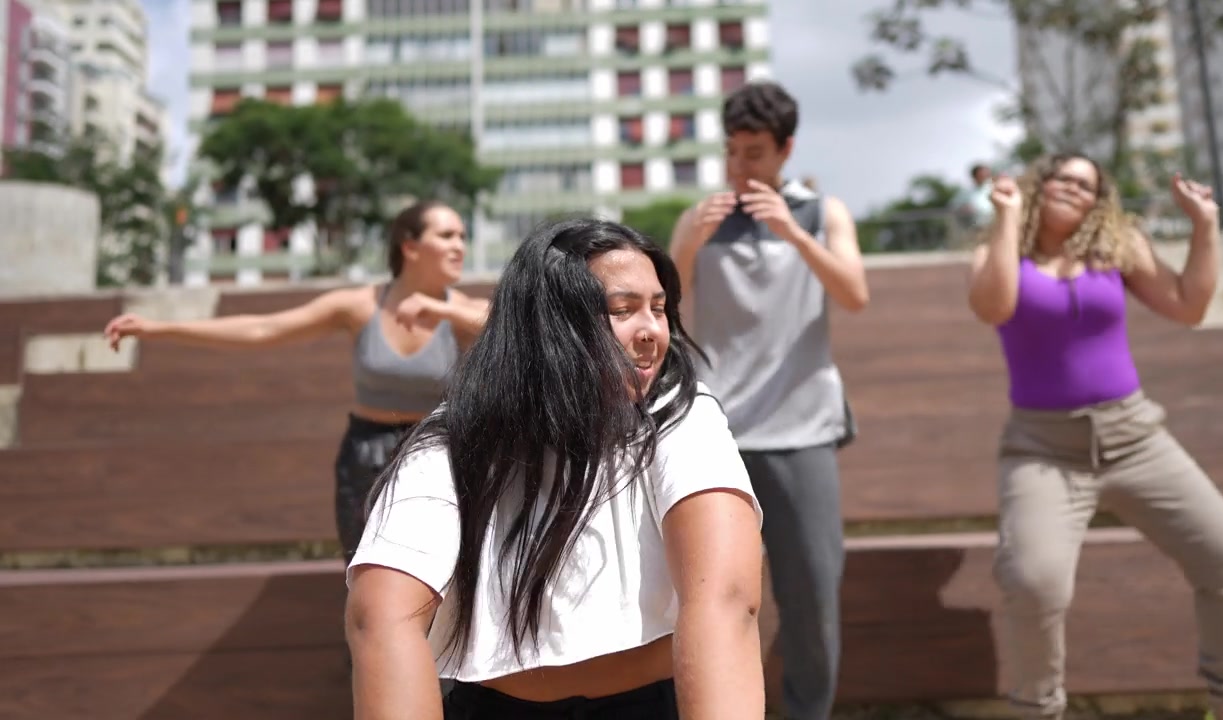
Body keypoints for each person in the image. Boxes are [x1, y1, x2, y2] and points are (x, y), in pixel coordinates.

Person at [345, 217, 766, 719]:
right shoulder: (455, 437)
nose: (653, 331)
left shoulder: (680, 413)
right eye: (622, 310)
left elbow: (724, 598)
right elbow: (382, 615)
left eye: (658, 308)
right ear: (551, 325)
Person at [968, 153, 1223, 720]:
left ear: (1098, 202)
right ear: (1039, 185)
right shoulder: (998, 251)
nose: (1072, 189)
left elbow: (1189, 305)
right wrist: (1007, 218)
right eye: (1062, 178)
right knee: (1034, 582)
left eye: (1086, 186)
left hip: (1134, 438)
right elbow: (992, 306)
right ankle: (1038, 712)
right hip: (1043, 449)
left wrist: (1205, 225)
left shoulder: (1116, 247)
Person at [103, 199, 489, 564]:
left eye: (462, 236)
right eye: (447, 236)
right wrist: (158, 328)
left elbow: (501, 326)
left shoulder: (464, 312)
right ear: (410, 247)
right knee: (366, 572)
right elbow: (263, 328)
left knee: (439, 570)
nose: (459, 246)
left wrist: (438, 309)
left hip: (435, 451)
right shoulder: (359, 306)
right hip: (366, 454)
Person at [669, 80, 870, 720]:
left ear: (786, 150)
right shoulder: (700, 218)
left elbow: (855, 294)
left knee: (812, 594)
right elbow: (662, 308)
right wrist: (689, 244)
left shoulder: (823, 213)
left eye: (753, 153)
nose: (739, 166)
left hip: (802, 431)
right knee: (710, 595)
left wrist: (793, 233)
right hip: (716, 437)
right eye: (731, 152)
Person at [950, 162, 996, 232]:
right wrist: (962, 209)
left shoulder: (994, 188)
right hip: (974, 228)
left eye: (986, 174)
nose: (984, 176)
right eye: (981, 174)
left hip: (994, 226)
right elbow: (953, 206)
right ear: (974, 176)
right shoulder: (965, 192)